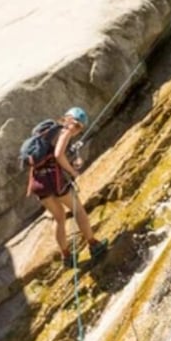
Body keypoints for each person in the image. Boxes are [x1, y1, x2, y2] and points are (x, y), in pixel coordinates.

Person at [27, 106, 108, 266]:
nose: (76, 129)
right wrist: (73, 172)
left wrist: (70, 163)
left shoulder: (47, 133)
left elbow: (48, 156)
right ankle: (93, 245)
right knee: (78, 211)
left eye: (79, 128)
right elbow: (58, 155)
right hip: (54, 180)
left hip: (39, 182)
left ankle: (66, 256)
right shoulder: (64, 132)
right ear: (67, 119)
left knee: (59, 218)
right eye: (76, 124)